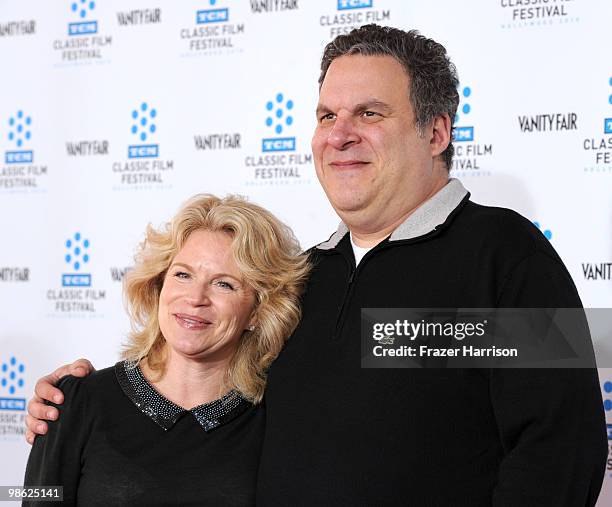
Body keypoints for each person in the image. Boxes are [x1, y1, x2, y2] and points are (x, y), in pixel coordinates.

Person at [26, 25, 607, 506]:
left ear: (436, 132)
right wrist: (72, 412)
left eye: (370, 114)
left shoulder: (506, 253)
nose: (340, 135)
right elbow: (204, 401)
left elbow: (563, 451)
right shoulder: (304, 278)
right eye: (327, 115)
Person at [23, 194, 309, 506]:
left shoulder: (278, 420)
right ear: (159, 285)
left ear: (256, 312)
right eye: (183, 275)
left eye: (223, 284)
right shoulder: (74, 402)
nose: (195, 297)